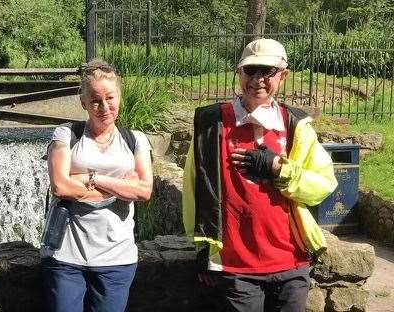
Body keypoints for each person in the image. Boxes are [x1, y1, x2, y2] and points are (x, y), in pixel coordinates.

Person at [182, 38, 338, 312]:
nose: (258, 79)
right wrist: (201, 248)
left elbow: (323, 185)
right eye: (250, 70)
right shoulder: (212, 124)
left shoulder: (296, 126)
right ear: (238, 72)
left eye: (267, 71)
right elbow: (193, 189)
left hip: (291, 260)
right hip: (236, 265)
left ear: (284, 75)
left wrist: (278, 168)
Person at [41, 59, 153, 312]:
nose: (104, 106)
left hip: (117, 258)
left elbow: (144, 191)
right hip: (65, 255)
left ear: (119, 97)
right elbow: (59, 186)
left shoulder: (135, 140)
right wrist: (120, 187)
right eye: (95, 100)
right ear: (83, 103)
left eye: (110, 98)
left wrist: (91, 178)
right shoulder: (66, 134)